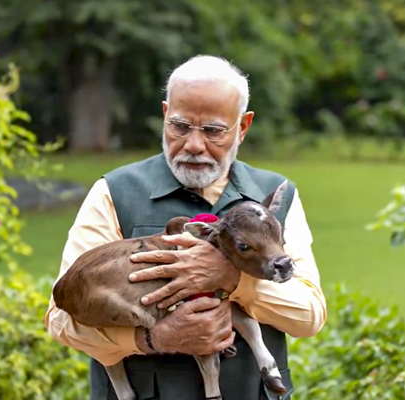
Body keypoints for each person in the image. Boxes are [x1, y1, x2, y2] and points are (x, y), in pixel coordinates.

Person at [45, 55, 327, 400]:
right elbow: (61, 319)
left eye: (212, 130)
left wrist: (234, 281)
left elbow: (309, 317)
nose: (193, 145)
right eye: (180, 126)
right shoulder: (115, 192)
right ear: (165, 114)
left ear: (243, 126)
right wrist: (152, 339)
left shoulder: (277, 198)